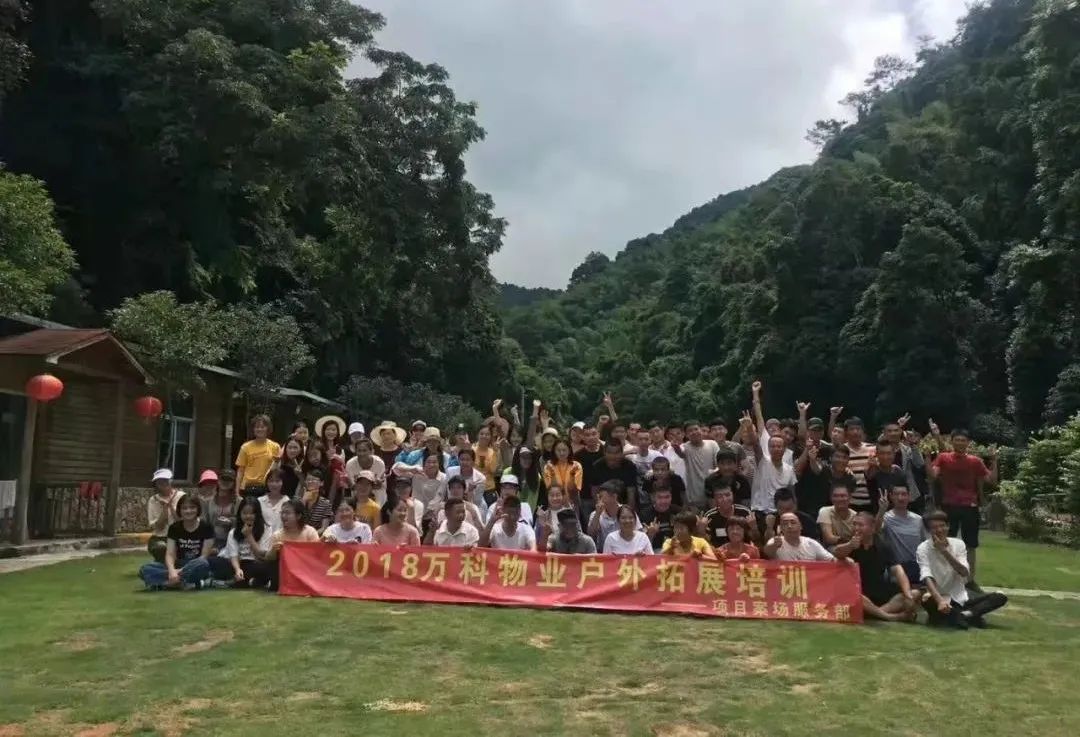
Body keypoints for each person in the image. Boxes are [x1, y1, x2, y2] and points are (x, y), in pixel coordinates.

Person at [929, 428, 997, 589]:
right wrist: (927, 457)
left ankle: (970, 580)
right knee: (945, 542)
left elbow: (991, 480)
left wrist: (994, 461)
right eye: (957, 440)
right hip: (948, 505)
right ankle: (944, 578)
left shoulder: (975, 461)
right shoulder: (943, 457)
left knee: (970, 545)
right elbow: (932, 475)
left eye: (963, 440)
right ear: (951, 442)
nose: (960, 443)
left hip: (969, 506)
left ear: (968, 443)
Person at [917, 511, 1007, 628]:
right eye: (934, 527)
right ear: (929, 531)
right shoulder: (923, 548)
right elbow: (926, 575)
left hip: (960, 594)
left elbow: (964, 572)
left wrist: (944, 551)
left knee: (999, 597)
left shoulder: (958, 544)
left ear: (948, 526)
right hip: (938, 595)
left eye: (942, 526)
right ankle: (968, 616)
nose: (939, 530)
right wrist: (939, 600)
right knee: (926, 600)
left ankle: (964, 615)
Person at [834, 512, 919, 622]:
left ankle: (875, 613)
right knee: (855, 595)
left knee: (914, 594)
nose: (856, 528)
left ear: (872, 528)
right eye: (854, 524)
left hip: (878, 589)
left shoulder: (883, 545)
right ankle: (889, 616)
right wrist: (850, 545)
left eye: (860, 525)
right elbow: (837, 553)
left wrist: (908, 595)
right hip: (858, 589)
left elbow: (898, 571)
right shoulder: (847, 541)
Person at [138, 494, 214, 590]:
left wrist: (178, 572)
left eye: (192, 507)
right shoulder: (174, 528)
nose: (188, 511)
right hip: (179, 563)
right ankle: (184, 583)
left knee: (203, 564)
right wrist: (172, 571)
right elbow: (170, 554)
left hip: (196, 565)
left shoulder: (206, 527)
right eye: (184, 508)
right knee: (145, 569)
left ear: (198, 509)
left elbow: (204, 556)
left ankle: (166, 584)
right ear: (180, 510)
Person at [211, 497, 273, 588]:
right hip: (237, 563)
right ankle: (248, 581)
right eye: (244, 513)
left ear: (258, 514)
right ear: (240, 514)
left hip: (256, 563)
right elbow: (234, 556)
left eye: (252, 513)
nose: (248, 516)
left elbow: (261, 556)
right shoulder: (233, 532)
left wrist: (249, 536)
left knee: (266, 567)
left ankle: (237, 582)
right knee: (214, 562)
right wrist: (237, 570)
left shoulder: (266, 529)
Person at [266, 499, 320, 591]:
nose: (283, 516)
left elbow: (317, 555)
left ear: (298, 516)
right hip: (285, 573)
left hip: (306, 570)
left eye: (287, 513)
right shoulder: (277, 535)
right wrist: (274, 550)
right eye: (282, 513)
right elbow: (268, 558)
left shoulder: (310, 532)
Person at [798, 443, 856, 519]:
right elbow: (816, 469)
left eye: (844, 457)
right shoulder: (823, 470)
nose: (841, 460)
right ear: (831, 458)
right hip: (815, 515)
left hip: (837, 516)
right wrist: (812, 459)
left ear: (848, 460)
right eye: (837, 456)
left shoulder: (850, 478)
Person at [671, 421, 720, 508]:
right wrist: (676, 448)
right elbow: (681, 453)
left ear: (701, 430)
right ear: (686, 435)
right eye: (690, 431)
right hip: (694, 494)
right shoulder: (686, 447)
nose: (694, 432)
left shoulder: (712, 444)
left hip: (713, 490)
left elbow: (718, 463)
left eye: (696, 429)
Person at [883, 484, 926, 583]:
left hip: (917, 565)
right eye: (896, 494)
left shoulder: (918, 519)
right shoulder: (885, 518)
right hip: (896, 567)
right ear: (891, 496)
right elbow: (876, 530)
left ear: (909, 496)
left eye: (904, 494)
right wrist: (881, 510)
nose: (900, 498)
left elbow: (925, 543)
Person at [584, 440, 639, 511]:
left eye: (616, 453)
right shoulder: (597, 466)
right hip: (604, 504)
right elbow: (594, 491)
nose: (613, 456)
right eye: (609, 453)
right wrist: (601, 509)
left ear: (621, 453)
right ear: (604, 452)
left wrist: (628, 511)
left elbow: (631, 492)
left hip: (624, 503)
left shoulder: (629, 466)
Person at [235, 414, 281, 496]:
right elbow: (240, 471)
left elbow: (277, 469)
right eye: (257, 427)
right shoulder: (245, 447)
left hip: (267, 487)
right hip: (248, 487)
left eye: (262, 427)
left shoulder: (275, 446)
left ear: (268, 428)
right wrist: (237, 492)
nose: (260, 429)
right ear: (253, 429)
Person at [146, 468, 184, 563]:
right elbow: (159, 527)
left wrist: (171, 506)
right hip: (160, 537)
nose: (163, 484)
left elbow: (182, 522)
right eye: (159, 482)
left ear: (171, 481)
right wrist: (165, 509)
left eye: (165, 481)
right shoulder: (153, 500)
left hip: (180, 536)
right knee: (160, 547)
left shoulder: (182, 496)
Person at [764, 512, 835, 561]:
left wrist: (840, 558)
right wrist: (774, 546)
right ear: (781, 528)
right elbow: (767, 553)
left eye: (793, 522)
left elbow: (831, 560)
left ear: (800, 526)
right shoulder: (775, 541)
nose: (789, 526)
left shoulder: (811, 543)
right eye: (785, 524)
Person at [840, 417, 877, 512]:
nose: (855, 432)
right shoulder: (841, 450)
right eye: (852, 429)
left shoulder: (872, 448)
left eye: (858, 429)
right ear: (846, 432)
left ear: (862, 431)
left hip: (871, 499)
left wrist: (873, 466)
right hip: (849, 501)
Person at [199, 469, 238, 556]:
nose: (225, 482)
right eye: (223, 479)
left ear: (234, 483)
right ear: (218, 481)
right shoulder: (208, 501)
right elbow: (203, 522)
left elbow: (242, 522)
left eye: (229, 480)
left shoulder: (238, 501)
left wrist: (232, 521)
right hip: (211, 540)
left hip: (231, 541)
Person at [588, 480, 637, 548]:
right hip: (604, 551)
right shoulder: (595, 514)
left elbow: (638, 533)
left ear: (614, 496)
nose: (599, 500)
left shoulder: (628, 511)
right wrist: (597, 514)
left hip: (627, 548)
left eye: (601, 497)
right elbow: (591, 534)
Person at [865, 439, 904, 515]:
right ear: (877, 454)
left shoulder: (898, 470)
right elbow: (869, 475)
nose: (885, 457)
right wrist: (872, 465)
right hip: (878, 514)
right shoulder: (873, 470)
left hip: (897, 514)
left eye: (889, 453)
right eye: (882, 453)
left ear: (894, 454)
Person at [640, 481, 680, 552]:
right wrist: (650, 535)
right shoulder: (644, 514)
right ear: (653, 497)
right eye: (660, 497)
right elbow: (641, 546)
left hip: (676, 549)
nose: (663, 501)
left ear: (671, 497)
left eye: (667, 497)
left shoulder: (678, 512)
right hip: (654, 550)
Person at [543, 438, 584, 506]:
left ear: (569, 451)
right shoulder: (548, 466)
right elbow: (551, 489)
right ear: (554, 451)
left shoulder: (576, 465)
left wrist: (572, 475)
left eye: (564, 450)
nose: (561, 453)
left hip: (572, 503)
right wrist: (553, 474)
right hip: (555, 503)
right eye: (558, 450)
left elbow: (574, 491)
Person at [344, 438, 387, 502]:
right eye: (359, 450)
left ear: (371, 451)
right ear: (355, 451)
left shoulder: (379, 463)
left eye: (364, 450)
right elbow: (352, 486)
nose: (362, 453)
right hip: (358, 498)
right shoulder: (350, 464)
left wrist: (361, 484)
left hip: (378, 497)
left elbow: (379, 486)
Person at [817, 482, 858, 548]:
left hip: (852, 548)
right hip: (830, 548)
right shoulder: (824, 511)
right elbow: (829, 539)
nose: (839, 499)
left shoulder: (856, 515)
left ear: (850, 498)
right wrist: (849, 541)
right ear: (831, 498)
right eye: (835, 496)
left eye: (843, 496)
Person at [508, 445, 544, 511]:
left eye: (529, 458)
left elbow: (532, 501)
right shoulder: (508, 472)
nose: (527, 460)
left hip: (527, 512)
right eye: (523, 457)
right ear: (517, 458)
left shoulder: (537, 477)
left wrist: (527, 514)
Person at [473, 423, 502, 503]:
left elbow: (493, 470)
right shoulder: (472, 451)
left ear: (490, 437)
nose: (484, 436)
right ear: (477, 435)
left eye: (487, 434)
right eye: (481, 434)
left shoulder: (493, 452)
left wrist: (496, 452)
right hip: (474, 488)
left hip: (489, 489)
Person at [300, 469, 333, 533]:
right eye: (308, 479)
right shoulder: (299, 501)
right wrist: (303, 501)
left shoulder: (326, 503)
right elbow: (295, 522)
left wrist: (311, 536)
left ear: (321, 483)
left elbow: (324, 528)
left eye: (313, 479)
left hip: (316, 536)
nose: (310, 482)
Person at [259, 469, 289, 533]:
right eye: (271, 481)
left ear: (283, 482)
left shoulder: (287, 502)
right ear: (267, 483)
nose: (274, 484)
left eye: (277, 481)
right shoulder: (259, 501)